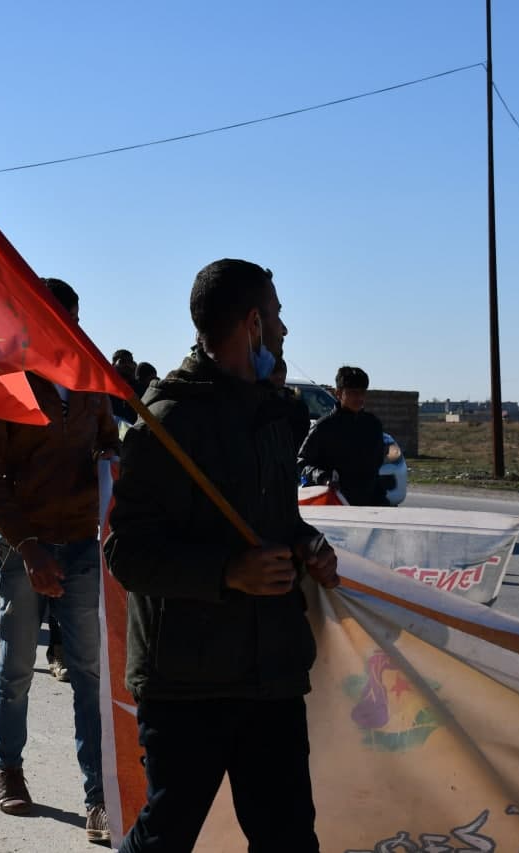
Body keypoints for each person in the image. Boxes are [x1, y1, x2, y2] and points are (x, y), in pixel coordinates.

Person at [104, 259, 338, 851]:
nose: (284, 329)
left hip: (271, 675)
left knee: (289, 840)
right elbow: (127, 553)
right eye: (277, 315)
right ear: (252, 323)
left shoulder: (269, 411)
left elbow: (278, 519)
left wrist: (308, 544)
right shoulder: (168, 422)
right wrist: (228, 572)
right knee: (166, 837)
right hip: (188, 683)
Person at [0, 278, 120, 843]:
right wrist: (29, 548)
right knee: (17, 667)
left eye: (73, 317)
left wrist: (110, 453)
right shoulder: (4, 382)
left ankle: (99, 796)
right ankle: (8, 768)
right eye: (57, 315)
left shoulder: (89, 382)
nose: (68, 326)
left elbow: (107, 440)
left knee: (88, 673)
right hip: (23, 549)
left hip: (81, 543)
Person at [297, 365, 389, 506]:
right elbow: (301, 463)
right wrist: (324, 478)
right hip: (336, 501)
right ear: (338, 393)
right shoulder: (324, 427)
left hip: (371, 502)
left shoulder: (373, 425)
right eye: (353, 392)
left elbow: (376, 464)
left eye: (362, 392)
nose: (359, 397)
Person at [269, 357, 312, 455]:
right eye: (275, 371)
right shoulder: (259, 400)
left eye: (282, 371)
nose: (279, 376)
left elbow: (304, 435)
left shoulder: (298, 405)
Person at [111, 349, 140, 424]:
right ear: (113, 365)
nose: (127, 365)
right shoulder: (107, 390)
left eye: (130, 361)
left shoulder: (139, 388)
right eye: (122, 362)